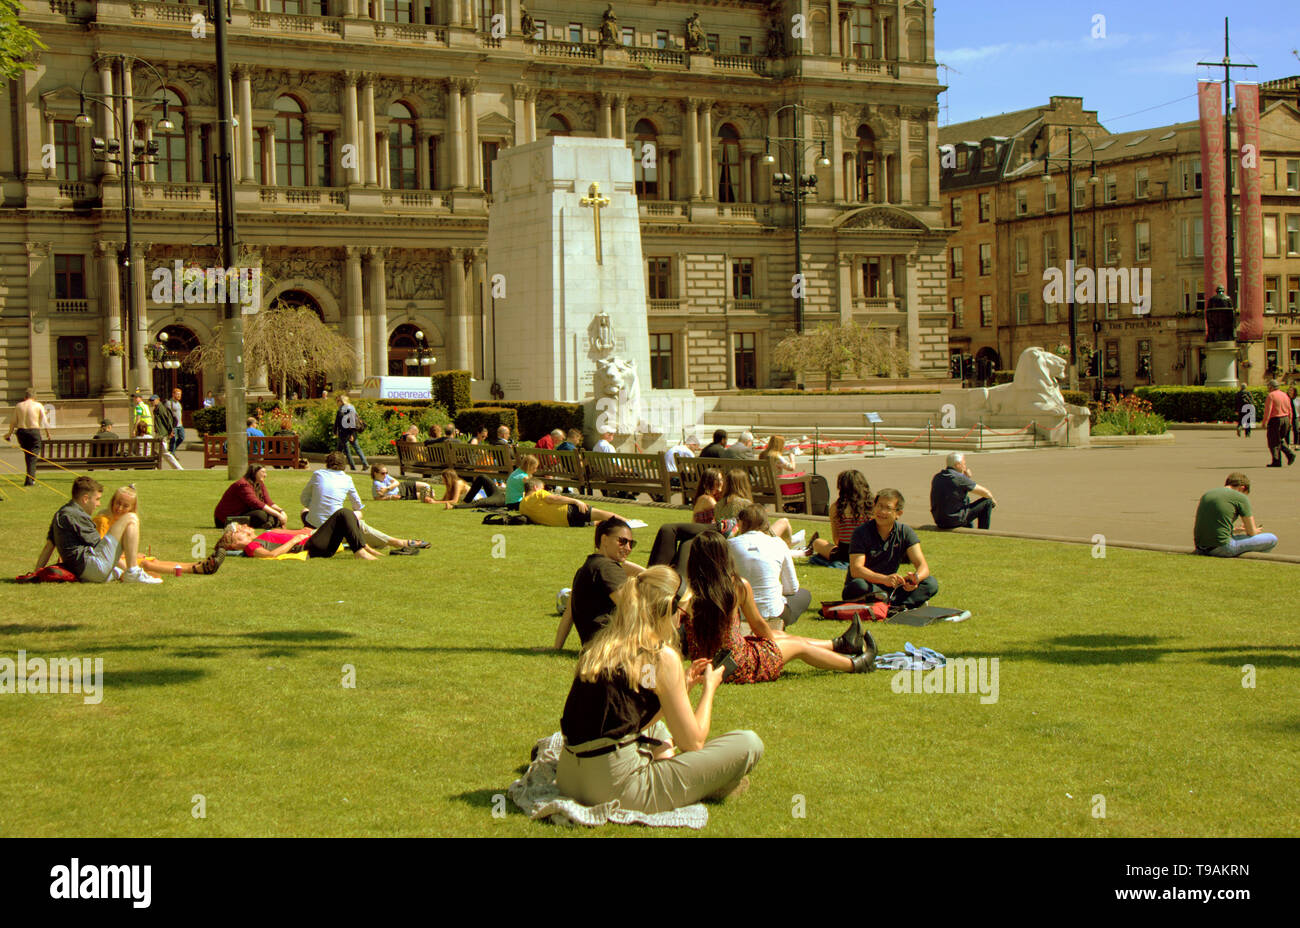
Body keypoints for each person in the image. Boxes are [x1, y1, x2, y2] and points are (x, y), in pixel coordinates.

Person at [556, 566, 764, 814]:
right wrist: (710, 687)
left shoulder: (601, 646)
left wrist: (683, 686)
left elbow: (629, 713)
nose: (682, 622)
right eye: (683, 615)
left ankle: (682, 772)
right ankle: (703, 782)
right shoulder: (661, 656)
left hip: (568, 778)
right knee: (749, 743)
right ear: (668, 610)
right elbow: (693, 742)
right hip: (617, 787)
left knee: (657, 728)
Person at [684, 531, 876, 683]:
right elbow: (758, 625)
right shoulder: (737, 587)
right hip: (737, 664)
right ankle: (856, 664)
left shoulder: (689, 592)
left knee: (780, 635)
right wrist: (772, 647)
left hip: (706, 665)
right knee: (798, 646)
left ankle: (840, 644)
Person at [34, 475, 161, 584]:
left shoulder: (60, 514)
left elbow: (48, 547)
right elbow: (100, 547)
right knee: (131, 518)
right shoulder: (76, 515)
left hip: (82, 573)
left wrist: (36, 573)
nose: (98, 504)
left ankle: (131, 572)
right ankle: (133, 571)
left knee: (120, 570)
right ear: (85, 499)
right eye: (97, 499)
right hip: (92, 568)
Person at [300, 451, 429, 551]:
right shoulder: (347, 479)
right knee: (357, 516)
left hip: (316, 525)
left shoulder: (318, 474)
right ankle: (397, 542)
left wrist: (316, 506)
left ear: (327, 463)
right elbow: (357, 505)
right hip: (332, 527)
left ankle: (395, 542)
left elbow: (304, 498)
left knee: (305, 511)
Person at [551, 516, 645, 649]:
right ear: (604, 539)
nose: (628, 548)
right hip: (612, 645)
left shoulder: (585, 568)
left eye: (631, 543)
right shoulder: (608, 568)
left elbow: (568, 614)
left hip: (594, 646)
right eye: (622, 541)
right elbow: (631, 608)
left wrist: (556, 648)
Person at [842, 488, 938, 610]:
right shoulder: (861, 532)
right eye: (879, 506)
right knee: (858, 585)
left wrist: (915, 579)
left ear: (898, 513)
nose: (882, 511)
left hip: (890, 588)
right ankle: (899, 604)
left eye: (888, 508)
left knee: (930, 583)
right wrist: (884, 579)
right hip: (867, 586)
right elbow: (856, 570)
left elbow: (922, 565)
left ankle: (890, 606)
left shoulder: (905, 532)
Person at [94, 486, 224, 576]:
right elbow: (103, 549)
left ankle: (197, 565)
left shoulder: (124, 521)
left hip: (122, 558)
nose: (120, 508)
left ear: (132, 509)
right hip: (113, 562)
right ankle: (195, 569)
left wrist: (133, 554)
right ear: (112, 502)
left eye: (125, 506)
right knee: (147, 564)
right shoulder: (104, 520)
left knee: (153, 561)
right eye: (118, 503)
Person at [728, 505, 811, 629]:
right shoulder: (778, 543)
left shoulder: (729, 545)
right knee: (804, 594)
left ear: (740, 523)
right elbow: (792, 588)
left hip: (740, 611)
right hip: (771, 613)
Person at [217, 509, 381, 561]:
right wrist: (295, 540)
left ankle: (362, 548)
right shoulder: (252, 546)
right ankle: (360, 551)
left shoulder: (259, 538)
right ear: (234, 544)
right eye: (237, 533)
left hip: (314, 541)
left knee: (347, 515)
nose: (241, 530)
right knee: (343, 514)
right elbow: (271, 555)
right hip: (310, 545)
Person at [1193, 472, 1278, 557]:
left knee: (1239, 539)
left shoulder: (1208, 494)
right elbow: (1251, 532)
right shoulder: (1240, 497)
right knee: (1272, 538)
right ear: (1242, 488)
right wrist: (1256, 530)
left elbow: (1212, 525)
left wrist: (1235, 530)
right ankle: (1253, 561)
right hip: (1222, 547)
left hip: (1201, 547)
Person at [716, 470, 799, 546]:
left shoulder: (718, 505)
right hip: (748, 543)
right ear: (744, 484)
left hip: (728, 543)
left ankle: (789, 543)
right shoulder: (745, 504)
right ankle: (788, 546)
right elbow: (764, 528)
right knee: (784, 522)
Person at [811, 470, 873, 563]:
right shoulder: (872, 506)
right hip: (868, 553)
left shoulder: (836, 507)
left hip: (845, 554)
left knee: (817, 542)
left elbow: (836, 539)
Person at [930, 452, 997, 529]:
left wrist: (966, 478)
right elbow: (985, 492)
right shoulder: (959, 478)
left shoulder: (937, 477)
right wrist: (993, 501)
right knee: (987, 502)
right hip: (953, 520)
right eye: (964, 464)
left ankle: (968, 527)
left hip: (939, 520)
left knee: (964, 503)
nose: (965, 467)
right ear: (957, 465)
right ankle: (983, 532)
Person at [520, 477, 617, 528]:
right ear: (536, 488)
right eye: (542, 488)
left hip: (566, 523)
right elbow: (554, 499)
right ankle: (625, 522)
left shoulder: (522, 506)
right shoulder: (538, 493)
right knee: (606, 515)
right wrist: (576, 501)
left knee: (598, 521)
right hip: (567, 511)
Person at [214, 464, 289, 528]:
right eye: (263, 472)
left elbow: (268, 502)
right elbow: (255, 503)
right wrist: (278, 515)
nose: (265, 475)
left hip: (245, 512)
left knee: (269, 512)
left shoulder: (260, 484)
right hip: (227, 518)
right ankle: (272, 522)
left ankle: (270, 523)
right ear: (254, 472)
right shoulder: (243, 485)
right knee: (260, 515)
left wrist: (281, 511)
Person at [5, 387, 52, 486]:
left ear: (25, 397)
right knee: (33, 456)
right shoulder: (38, 405)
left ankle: (29, 478)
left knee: (28, 455)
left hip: (21, 432)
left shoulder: (19, 406)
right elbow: (44, 421)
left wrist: (9, 434)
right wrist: (48, 433)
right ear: (34, 397)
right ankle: (30, 480)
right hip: (33, 431)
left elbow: (13, 421)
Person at [440, 466, 506, 509]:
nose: (443, 481)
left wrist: (453, 506)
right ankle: (466, 501)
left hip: (501, 499)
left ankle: (453, 507)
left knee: (479, 503)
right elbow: (445, 499)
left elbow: (454, 500)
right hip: (501, 495)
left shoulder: (458, 483)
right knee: (482, 477)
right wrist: (435, 501)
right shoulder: (451, 485)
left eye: (443, 479)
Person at [1263, 379, 1295, 467]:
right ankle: (1287, 455)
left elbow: (1268, 410)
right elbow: (1290, 409)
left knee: (1273, 441)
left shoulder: (1271, 395)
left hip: (1275, 420)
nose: (1268, 388)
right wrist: (1290, 421)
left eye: (1268, 386)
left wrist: (1265, 421)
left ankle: (1278, 460)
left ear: (1271, 387)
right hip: (1285, 419)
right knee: (1280, 439)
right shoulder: (1285, 395)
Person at [370, 463, 435, 504]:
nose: (385, 475)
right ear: (375, 473)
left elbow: (397, 482)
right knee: (431, 494)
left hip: (402, 486)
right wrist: (390, 497)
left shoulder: (386, 476)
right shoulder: (377, 484)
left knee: (426, 486)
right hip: (400, 494)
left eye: (386, 473)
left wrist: (387, 489)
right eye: (383, 473)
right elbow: (377, 498)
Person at [333, 393, 367, 470]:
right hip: (352, 431)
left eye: (338, 401)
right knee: (356, 448)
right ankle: (365, 463)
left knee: (347, 450)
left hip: (345, 432)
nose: (337, 403)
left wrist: (336, 431)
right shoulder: (351, 407)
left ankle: (352, 466)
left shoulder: (342, 410)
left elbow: (339, 422)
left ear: (342, 401)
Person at [166, 387, 186, 454]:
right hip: (173, 425)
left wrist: (181, 422)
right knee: (173, 440)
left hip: (180, 424)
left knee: (182, 437)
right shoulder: (169, 403)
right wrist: (169, 425)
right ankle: (172, 452)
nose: (179, 396)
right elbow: (167, 414)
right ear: (173, 394)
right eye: (177, 394)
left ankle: (172, 449)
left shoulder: (178, 403)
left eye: (180, 394)